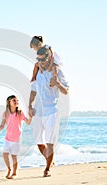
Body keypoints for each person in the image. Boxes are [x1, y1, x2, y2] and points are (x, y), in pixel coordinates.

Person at [28, 46, 69, 177]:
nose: (40, 62)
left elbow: (66, 91)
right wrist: (29, 105)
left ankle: (47, 169)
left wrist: (57, 83)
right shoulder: (38, 72)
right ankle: (50, 161)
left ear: (48, 58)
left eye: (42, 59)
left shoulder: (56, 72)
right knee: (39, 142)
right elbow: (33, 90)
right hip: (38, 111)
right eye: (38, 59)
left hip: (52, 110)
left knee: (50, 141)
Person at [0, 95, 32, 179]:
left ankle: (14, 173)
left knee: (14, 156)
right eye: (14, 100)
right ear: (9, 102)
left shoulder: (19, 113)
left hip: (16, 139)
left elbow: (28, 122)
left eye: (17, 100)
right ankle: (9, 169)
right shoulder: (5, 114)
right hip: (7, 138)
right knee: (5, 154)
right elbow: (2, 125)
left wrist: (31, 116)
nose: (16, 102)